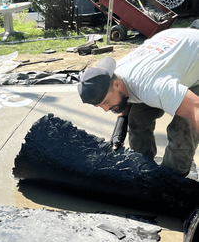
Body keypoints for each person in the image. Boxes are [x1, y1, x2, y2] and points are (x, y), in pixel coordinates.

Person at [77, 26, 199, 176]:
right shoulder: (117, 78)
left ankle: (171, 180)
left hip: (194, 60)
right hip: (176, 48)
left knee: (182, 129)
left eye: (106, 102)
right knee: (136, 119)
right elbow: (122, 106)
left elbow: (196, 109)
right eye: (100, 106)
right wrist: (118, 136)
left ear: (116, 85)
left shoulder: (153, 86)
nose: (106, 109)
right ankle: (143, 169)